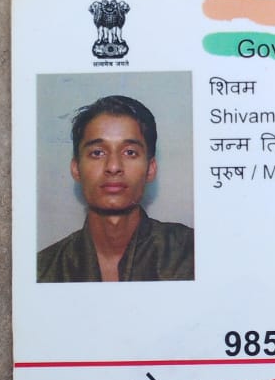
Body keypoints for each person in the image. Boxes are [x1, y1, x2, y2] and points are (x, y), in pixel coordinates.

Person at [37, 94, 194, 282]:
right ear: (76, 168)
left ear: (150, 169)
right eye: (97, 153)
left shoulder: (191, 254)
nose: (113, 166)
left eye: (130, 152)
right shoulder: (43, 270)